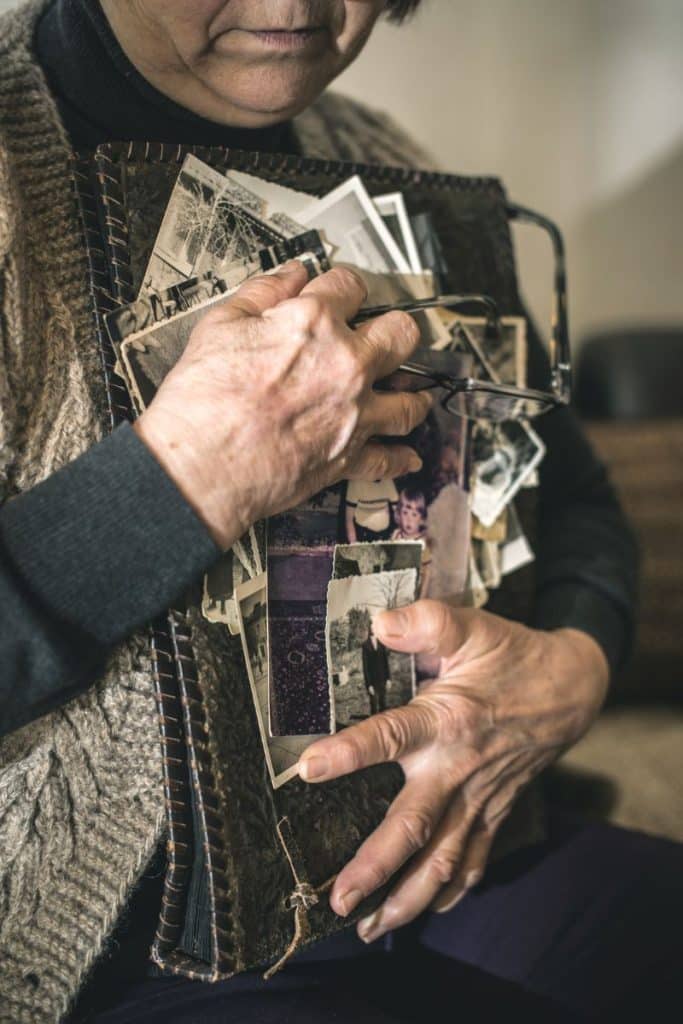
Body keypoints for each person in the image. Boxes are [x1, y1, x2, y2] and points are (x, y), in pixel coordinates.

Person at [0, 1, 680, 1022]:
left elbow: (573, 497)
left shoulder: (381, 159)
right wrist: (182, 477)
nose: (292, 7)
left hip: (446, 866)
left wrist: (574, 664)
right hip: (100, 957)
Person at [361, 622, 392, 714]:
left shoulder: (382, 643)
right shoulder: (365, 645)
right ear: (369, 629)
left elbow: (386, 662)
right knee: (374, 707)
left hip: (383, 679)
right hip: (372, 682)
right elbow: (365, 667)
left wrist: (388, 679)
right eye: (371, 628)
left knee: (383, 705)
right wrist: (368, 685)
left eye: (374, 628)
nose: (373, 630)